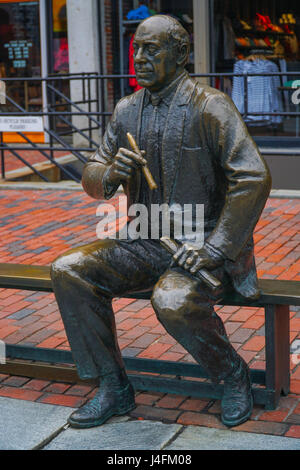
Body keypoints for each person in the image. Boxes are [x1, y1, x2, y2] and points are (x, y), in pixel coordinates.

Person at [50, 15, 272, 429]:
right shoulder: (126, 110)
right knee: (69, 270)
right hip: (146, 238)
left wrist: (215, 248)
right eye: (136, 49)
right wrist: (111, 172)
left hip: (202, 245)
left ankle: (232, 375)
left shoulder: (210, 106)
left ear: (182, 54)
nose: (140, 57)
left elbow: (253, 177)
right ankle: (114, 387)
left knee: (172, 300)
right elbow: (93, 178)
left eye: (151, 49)